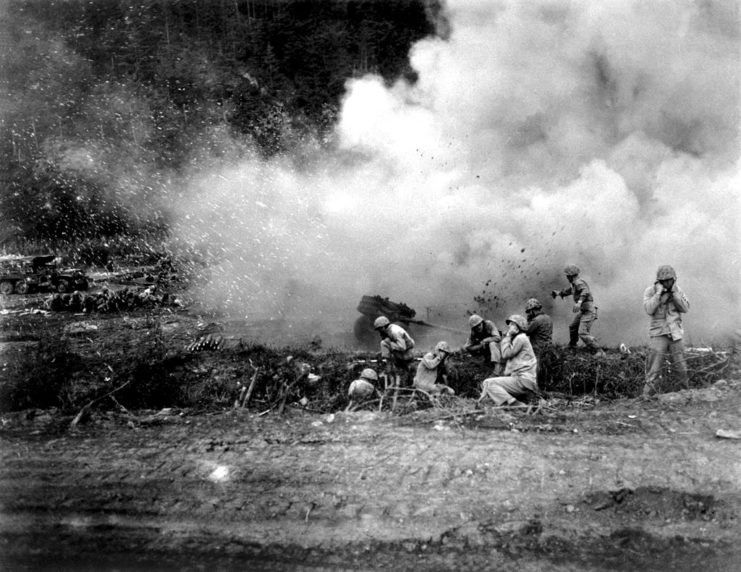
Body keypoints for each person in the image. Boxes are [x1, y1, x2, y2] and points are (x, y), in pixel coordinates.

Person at [642, 265, 690, 397]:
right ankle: (646, 397)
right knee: (654, 369)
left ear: (674, 279)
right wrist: (658, 294)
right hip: (658, 334)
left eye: (669, 280)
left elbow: (685, 308)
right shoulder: (650, 291)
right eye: (663, 280)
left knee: (681, 368)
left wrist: (675, 294)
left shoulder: (678, 291)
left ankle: (685, 395)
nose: (667, 283)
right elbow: (649, 309)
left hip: (675, 334)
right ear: (658, 281)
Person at [478, 314, 538, 407]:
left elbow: (505, 354)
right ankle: (482, 402)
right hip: (523, 380)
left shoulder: (520, 338)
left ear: (518, 327)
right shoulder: (520, 339)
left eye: (512, 324)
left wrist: (508, 336)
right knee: (490, 384)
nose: (509, 327)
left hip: (522, 380)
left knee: (488, 383)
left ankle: (514, 404)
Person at [551, 265, 604, 356]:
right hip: (584, 311)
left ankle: (599, 350)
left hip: (589, 311)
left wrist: (579, 302)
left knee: (582, 332)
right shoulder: (574, 285)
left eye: (567, 276)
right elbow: (568, 291)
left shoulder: (579, 282)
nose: (567, 277)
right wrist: (559, 293)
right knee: (573, 327)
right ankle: (572, 345)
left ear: (571, 275)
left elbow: (585, 291)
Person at [525, 298, 559, 390]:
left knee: (534, 369)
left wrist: (528, 321)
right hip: (548, 348)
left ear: (532, 310)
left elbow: (527, 331)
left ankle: (534, 387)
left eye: (529, 311)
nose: (528, 314)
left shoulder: (536, 320)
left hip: (537, 348)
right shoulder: (548, 318)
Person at [374, 316, 416, 386]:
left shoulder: (395, 332)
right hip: (402, 354)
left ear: (383, 327)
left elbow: (402, 347)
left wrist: (390, 345)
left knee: (384, 343)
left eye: (379, 329)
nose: (379, 332)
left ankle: (390, 368)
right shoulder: (389, 330)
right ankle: (391, 369)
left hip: (406, 354)